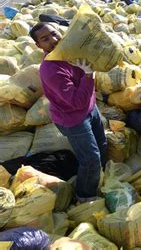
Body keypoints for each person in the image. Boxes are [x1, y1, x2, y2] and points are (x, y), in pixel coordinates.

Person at [30, 22, 106, 203]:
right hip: (73, 120)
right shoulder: (50, 69)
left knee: (101, 144)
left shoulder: (69, 51)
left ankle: (99, 177)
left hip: (90, 109)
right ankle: (85, 195)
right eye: (45, 39)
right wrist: (90, 76)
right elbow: (76, 101)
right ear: (38, 45)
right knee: (90, 160)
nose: (54, 40)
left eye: (54, 34)